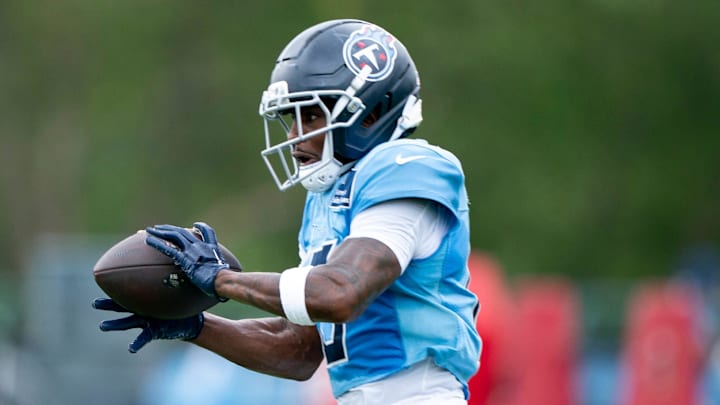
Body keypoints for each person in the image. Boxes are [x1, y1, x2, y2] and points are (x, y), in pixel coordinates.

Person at [94, 18, 481, 404]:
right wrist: (194, 326)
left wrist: (221, 280)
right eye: (291, 119)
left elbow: (341, 293)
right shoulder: (326, 199)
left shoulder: (409, 165)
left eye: (311, 116)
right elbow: (297, 351)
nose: (295, 135)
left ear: (371, 114)